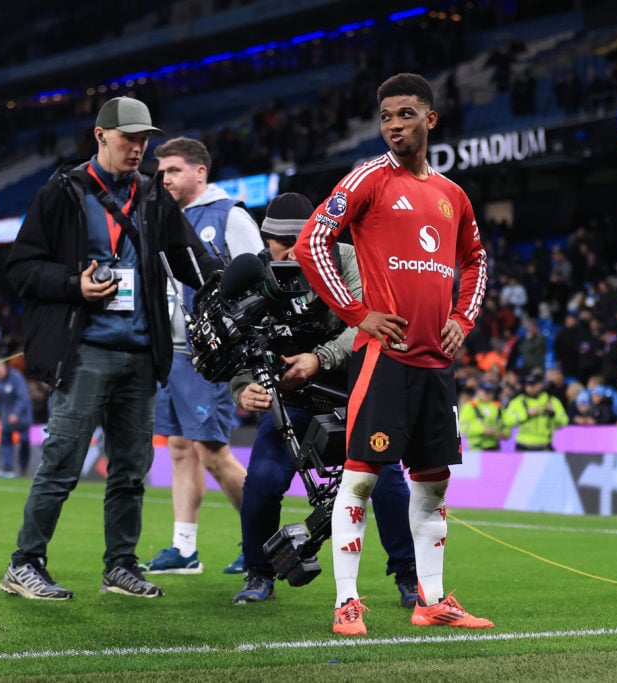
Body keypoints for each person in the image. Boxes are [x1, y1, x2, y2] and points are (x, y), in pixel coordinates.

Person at [296, 73, 494, 636]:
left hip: (437, 363)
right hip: (384, 359)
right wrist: (358, 315)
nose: (394, 126)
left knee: (431, 488)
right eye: (386, 117)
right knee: (359, 479)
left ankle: (431, 601)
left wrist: (463, 318)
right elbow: (313, 241)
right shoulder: (369, 178)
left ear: (430, 120)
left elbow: (476, 260)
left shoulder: (453, 195)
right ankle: (347, 603)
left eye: (405, 114)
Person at [0, 96, 219, 600]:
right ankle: (24, 563)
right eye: (128, 138)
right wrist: (73, 284)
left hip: (141, 354)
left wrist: (227, 279)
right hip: (86, 353)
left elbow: (190, 257)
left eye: (144, 139)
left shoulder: (151, 195)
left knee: (130, 471)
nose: (138, 148)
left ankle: (120, 565)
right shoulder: (62, 191)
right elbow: (21, 268)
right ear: (100, 136)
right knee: (61, 463)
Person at [229, 192, 418, 607]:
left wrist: (319, 358)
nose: (291, 249)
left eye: (300, 238)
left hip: (358, 392)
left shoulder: (351, 258)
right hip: (292, 400)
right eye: (280, 241)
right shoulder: (258, 272)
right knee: (261, 481)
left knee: (386, 483)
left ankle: (409, 575)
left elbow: (372, 321)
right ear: (266, 239)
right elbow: (238, 342)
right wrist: (243, 387)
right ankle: (258, 574)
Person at [139, 136, 264, 576]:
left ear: (200, 173)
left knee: (212, 451)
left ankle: (261, 541)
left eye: (173, 170)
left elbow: (257, 280)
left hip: (212, 355)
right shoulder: (160, 219)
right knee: (178, 448)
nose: (165, 178)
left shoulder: (229, 216)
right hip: (170, 351)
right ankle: (184, 548)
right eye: (161, 172)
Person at [0, 360, 33, 478]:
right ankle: (8, 467)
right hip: (6, 417)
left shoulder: (16, 377)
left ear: (3, 367)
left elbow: (23, 397)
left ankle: (23, 468)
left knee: (24, 441)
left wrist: (16, 413)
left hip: (22, 416)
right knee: (5, 440)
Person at [503, 372, 569, 450]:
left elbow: (564, 422)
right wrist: (527, 414)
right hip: (523, 445)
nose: (529, 387)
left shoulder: (551, 401)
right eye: (527, 385)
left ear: (541, 385)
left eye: (533, 384)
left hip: (544, 444)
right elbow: (507, 421)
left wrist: (553, 414)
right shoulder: (518, 401)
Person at [459, 380, 507, 450]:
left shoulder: (498, 406)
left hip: (494, 447)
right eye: (486, 392)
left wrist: (505, 433)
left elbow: (506, 423)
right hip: (476, 448)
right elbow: (462, 426)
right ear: (478, 391)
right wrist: (482, 430)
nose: (488, 394)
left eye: (491, 392)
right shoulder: (469, 406)